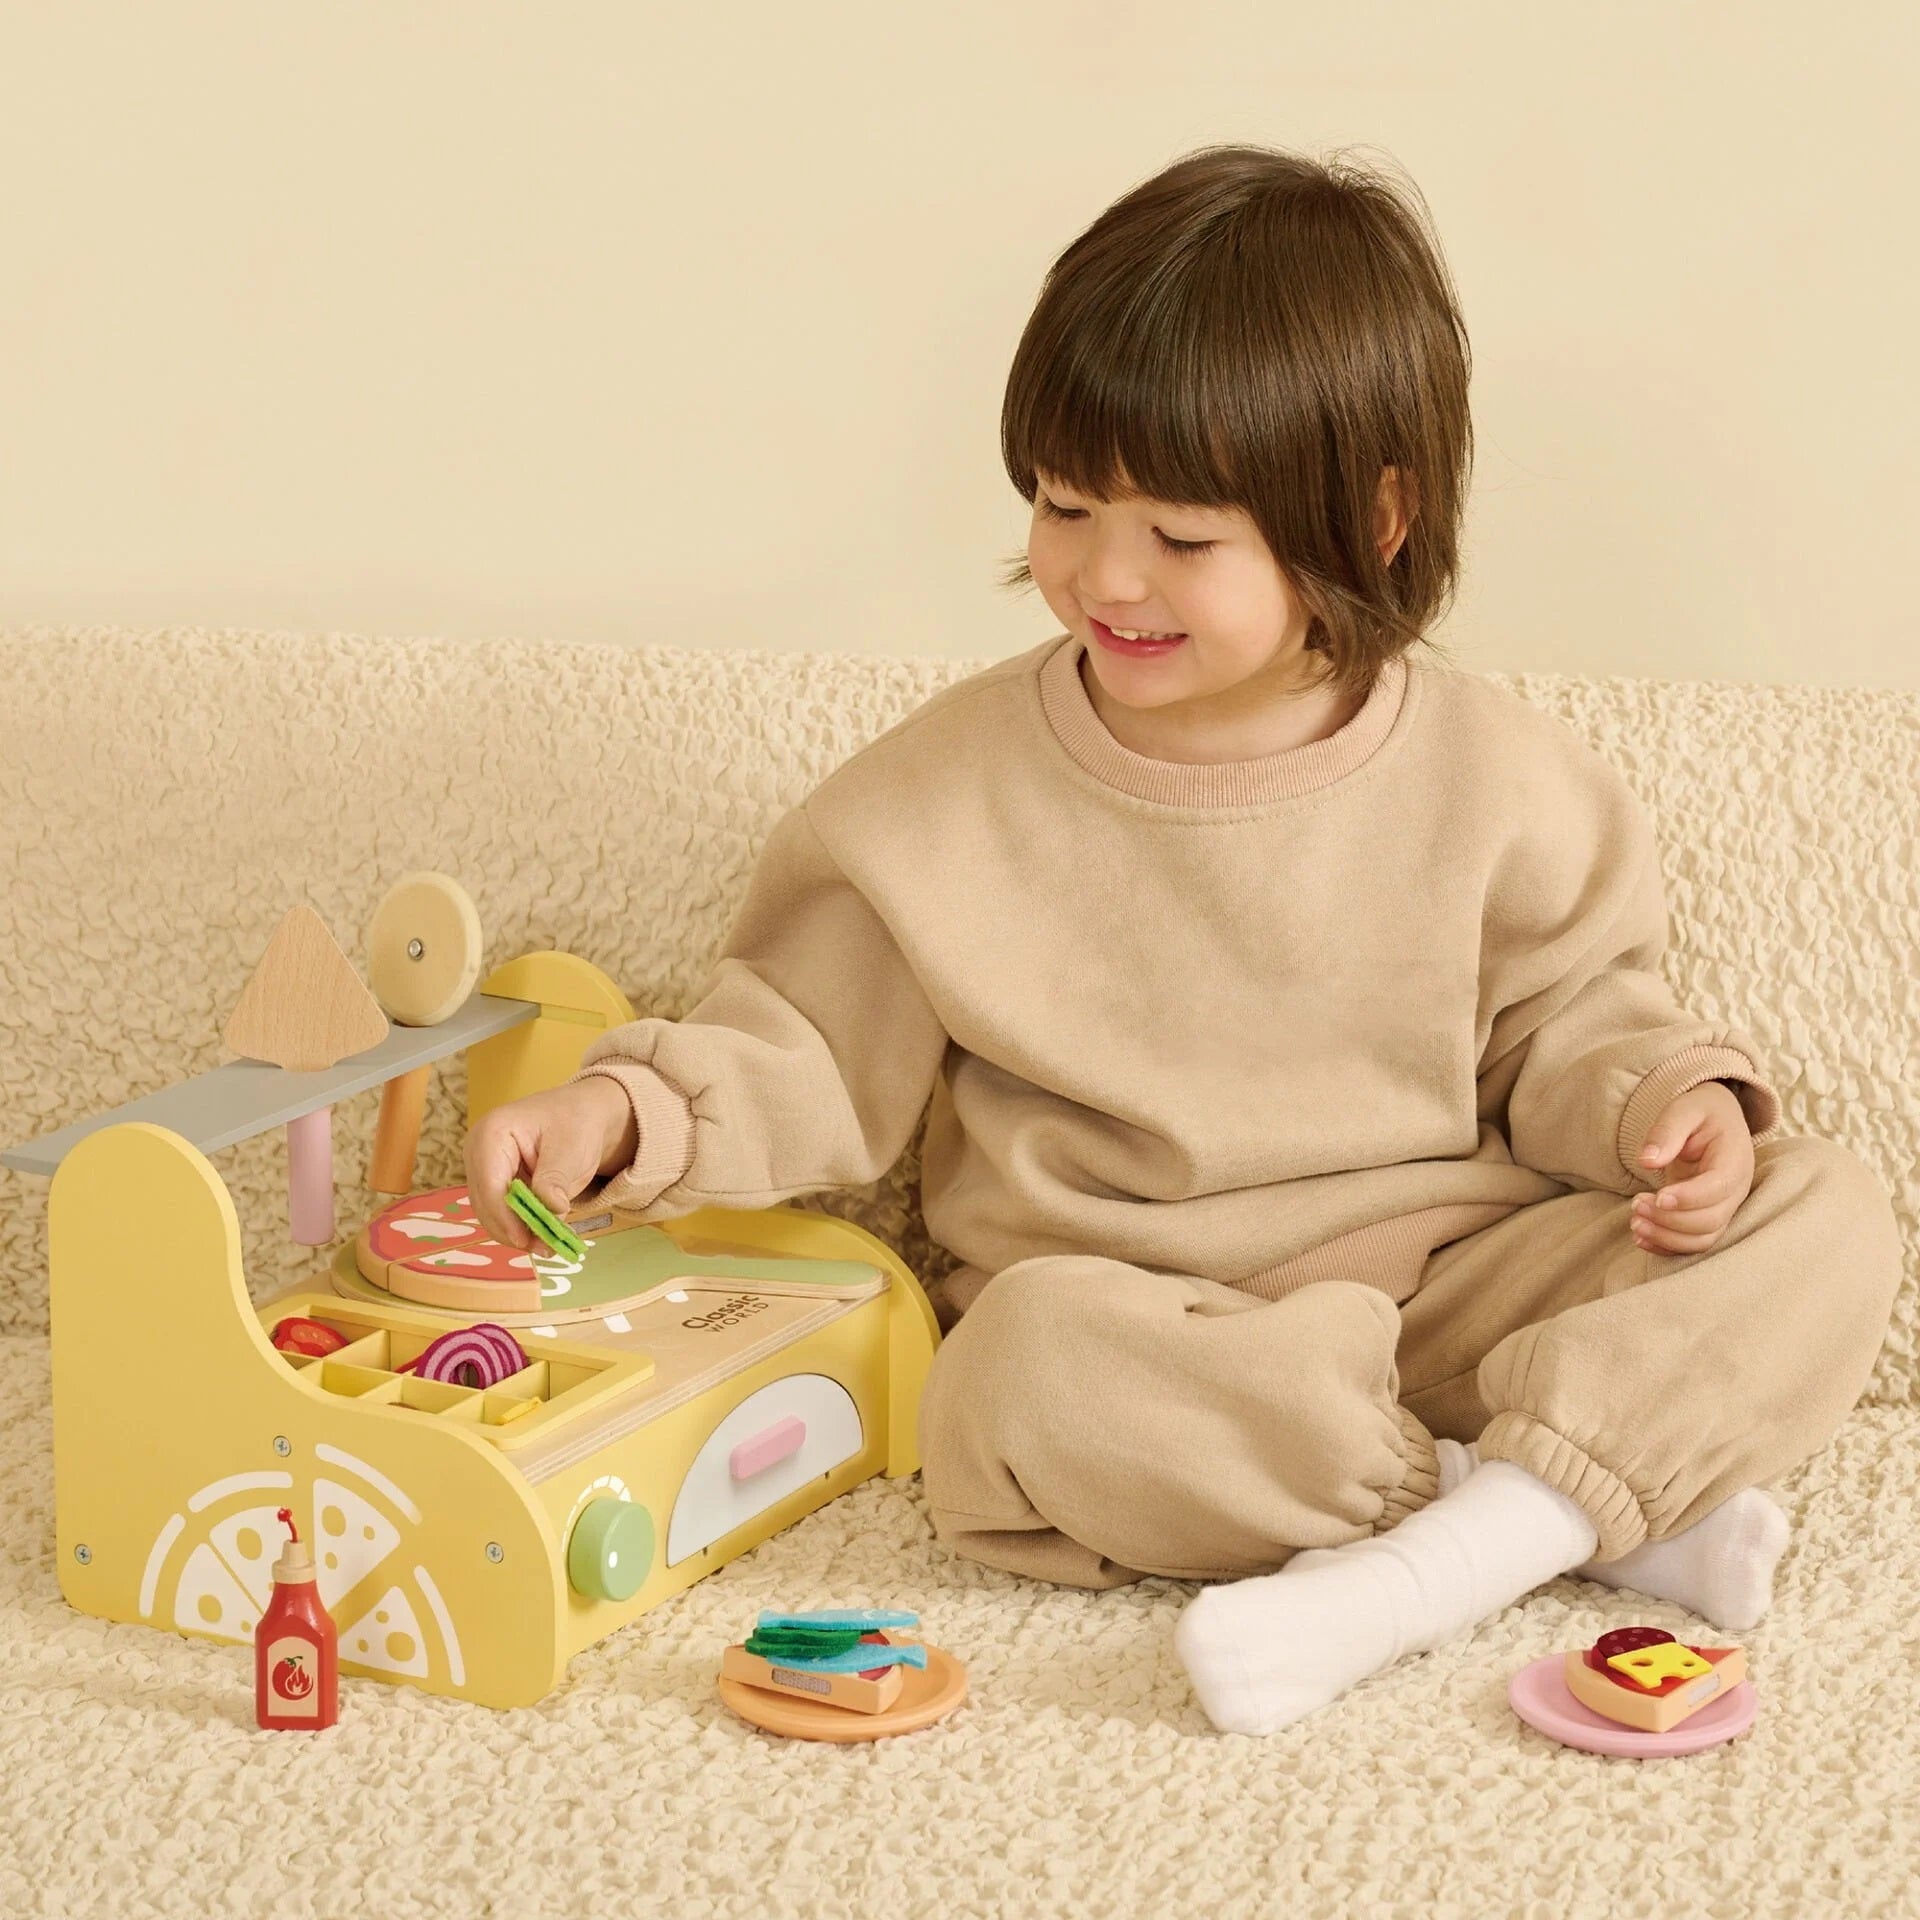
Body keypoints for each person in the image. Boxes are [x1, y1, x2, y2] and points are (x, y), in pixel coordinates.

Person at [462, 144, 1905, 1736]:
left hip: (1457, 1299)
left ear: (1375, 514)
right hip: (1156, 1334)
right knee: (1012, 1369)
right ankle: (1547, 1515)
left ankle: (1463, 1540)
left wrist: (1662, 1110)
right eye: (1068, 506)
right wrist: (629, 1111)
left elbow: (1571, 1024)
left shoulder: (1499, 780)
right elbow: (801, 1038)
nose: (1105, 574)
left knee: (1829, 1212)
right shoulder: (939, 796)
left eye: (1183, 536)